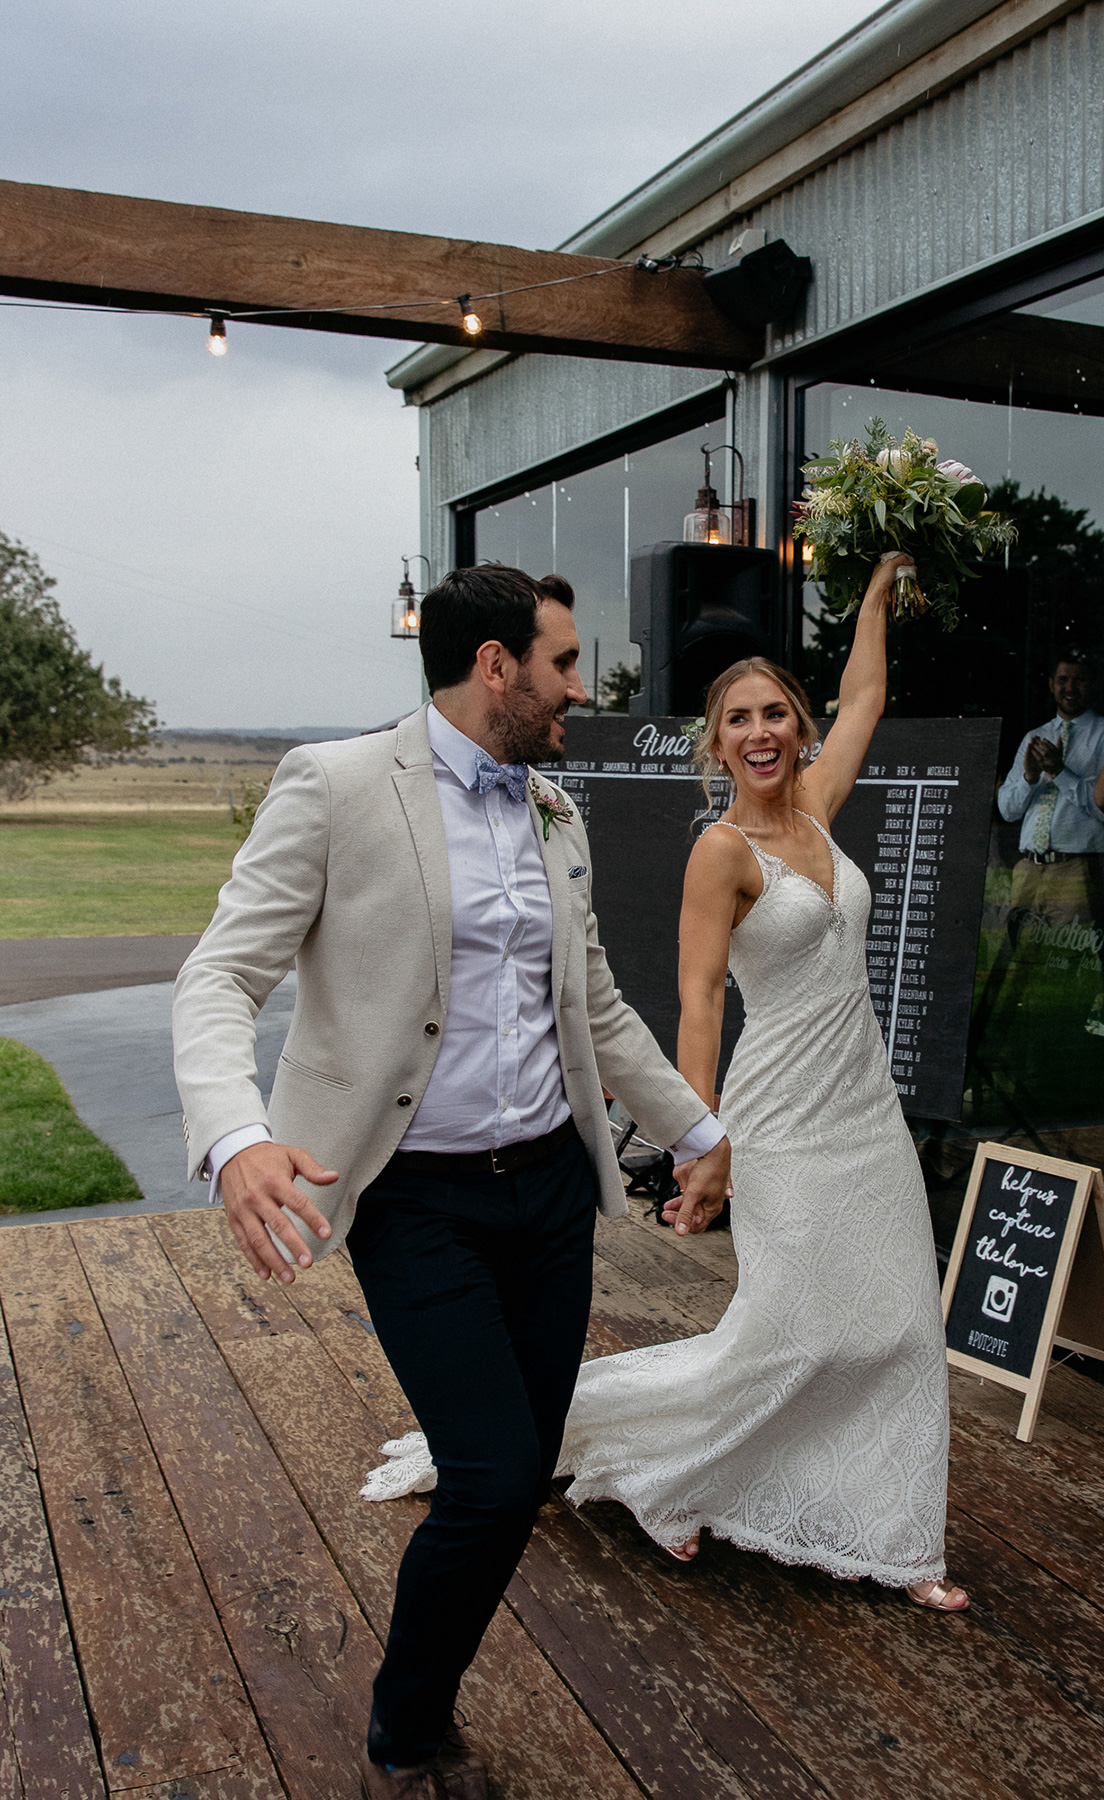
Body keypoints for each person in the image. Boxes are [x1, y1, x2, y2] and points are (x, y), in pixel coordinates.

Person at [172, 564, 731, 1800]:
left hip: (547, 1193)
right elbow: (218, 978)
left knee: (523, 1472)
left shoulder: (556, 811)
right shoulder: (334, 786)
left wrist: (696, 1129)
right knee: (485, 1476)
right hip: (417, 1201)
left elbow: (594, 1004)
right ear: (497, 667)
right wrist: (236, 1138)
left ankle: (418, 1707)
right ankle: (406, 1732)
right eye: (566, 662)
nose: (582, 686)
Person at [367, 553, 968, 1611]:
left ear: (799, 725)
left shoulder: (821, 806)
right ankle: (665, 1474)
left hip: (865, 1111)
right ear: (716, 740)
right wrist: (703, 1138)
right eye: (738, 719)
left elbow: (867, 692)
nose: (761, 732)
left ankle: (901, 1539)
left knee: (906, 1323)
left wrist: (873, 598)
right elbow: (698, 1005)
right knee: (794, 1329)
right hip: (780, 1112)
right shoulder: (720, 851)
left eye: (776, 711)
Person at [996, 652, 1104, 930]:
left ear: (1093, 684)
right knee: (1023, 960)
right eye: (1063, 680)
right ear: (1051, 684)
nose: (1070, 688)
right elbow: (1007, 810)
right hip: (1028, 867)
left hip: (1076, 867)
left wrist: (1060, 772)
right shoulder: (1036, 736)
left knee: (1068, 961)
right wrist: (1029, 776)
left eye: (1079, 680)